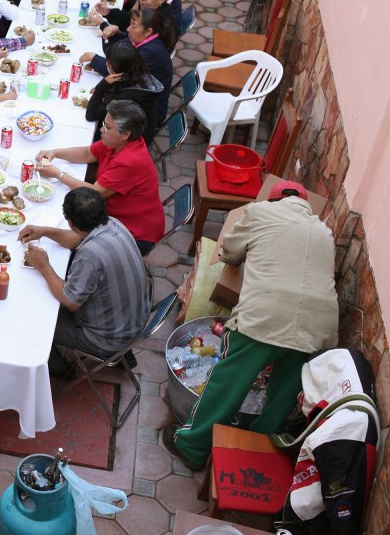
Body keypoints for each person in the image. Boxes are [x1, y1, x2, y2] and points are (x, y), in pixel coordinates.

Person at [163, 181, 340, 470]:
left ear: (271, 201)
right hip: (319, 328)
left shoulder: (259, 212)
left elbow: (230, 252)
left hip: (266, 315)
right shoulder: (324, 232)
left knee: (227, 383)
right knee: (282, 399)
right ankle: (252, 456)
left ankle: (192, 445)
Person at [19, 188, 149, 374]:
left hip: (105, 338)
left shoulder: (90, 255)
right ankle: (124, 355)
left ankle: (60, 369)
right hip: (133, 324)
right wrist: (44, 231)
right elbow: (75, 239)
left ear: (71, 222)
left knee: (36, 317)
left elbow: (70, 301)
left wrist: (44, 266)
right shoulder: (113, 223)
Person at [34, 99, 165, 254]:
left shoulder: (129, 161)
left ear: (125, 134)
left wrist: (58, 174)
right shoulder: (116, 141)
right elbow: (88, 153)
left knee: (75, 232)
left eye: (107, 127)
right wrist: (55, 152)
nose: (102, 130)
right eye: (104, 124)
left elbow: (93, 194)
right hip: (116, 213)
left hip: (134, 231)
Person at [83, 7, 174, 126]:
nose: (128, 29)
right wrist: (111, 30)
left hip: (143, 115)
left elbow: (119, 69)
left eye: (133, 26)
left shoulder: (151, 52)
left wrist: (94, 59)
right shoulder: (143, 39)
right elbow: (121, 47)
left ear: (148, 31)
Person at [84, 40, 163, 145]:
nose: (105, 64)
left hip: (130, 148)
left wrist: (101, 88)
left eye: (107, 62)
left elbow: (91, 115)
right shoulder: (140, 74)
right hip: (139, 136)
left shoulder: (125, 98)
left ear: (114, 69)